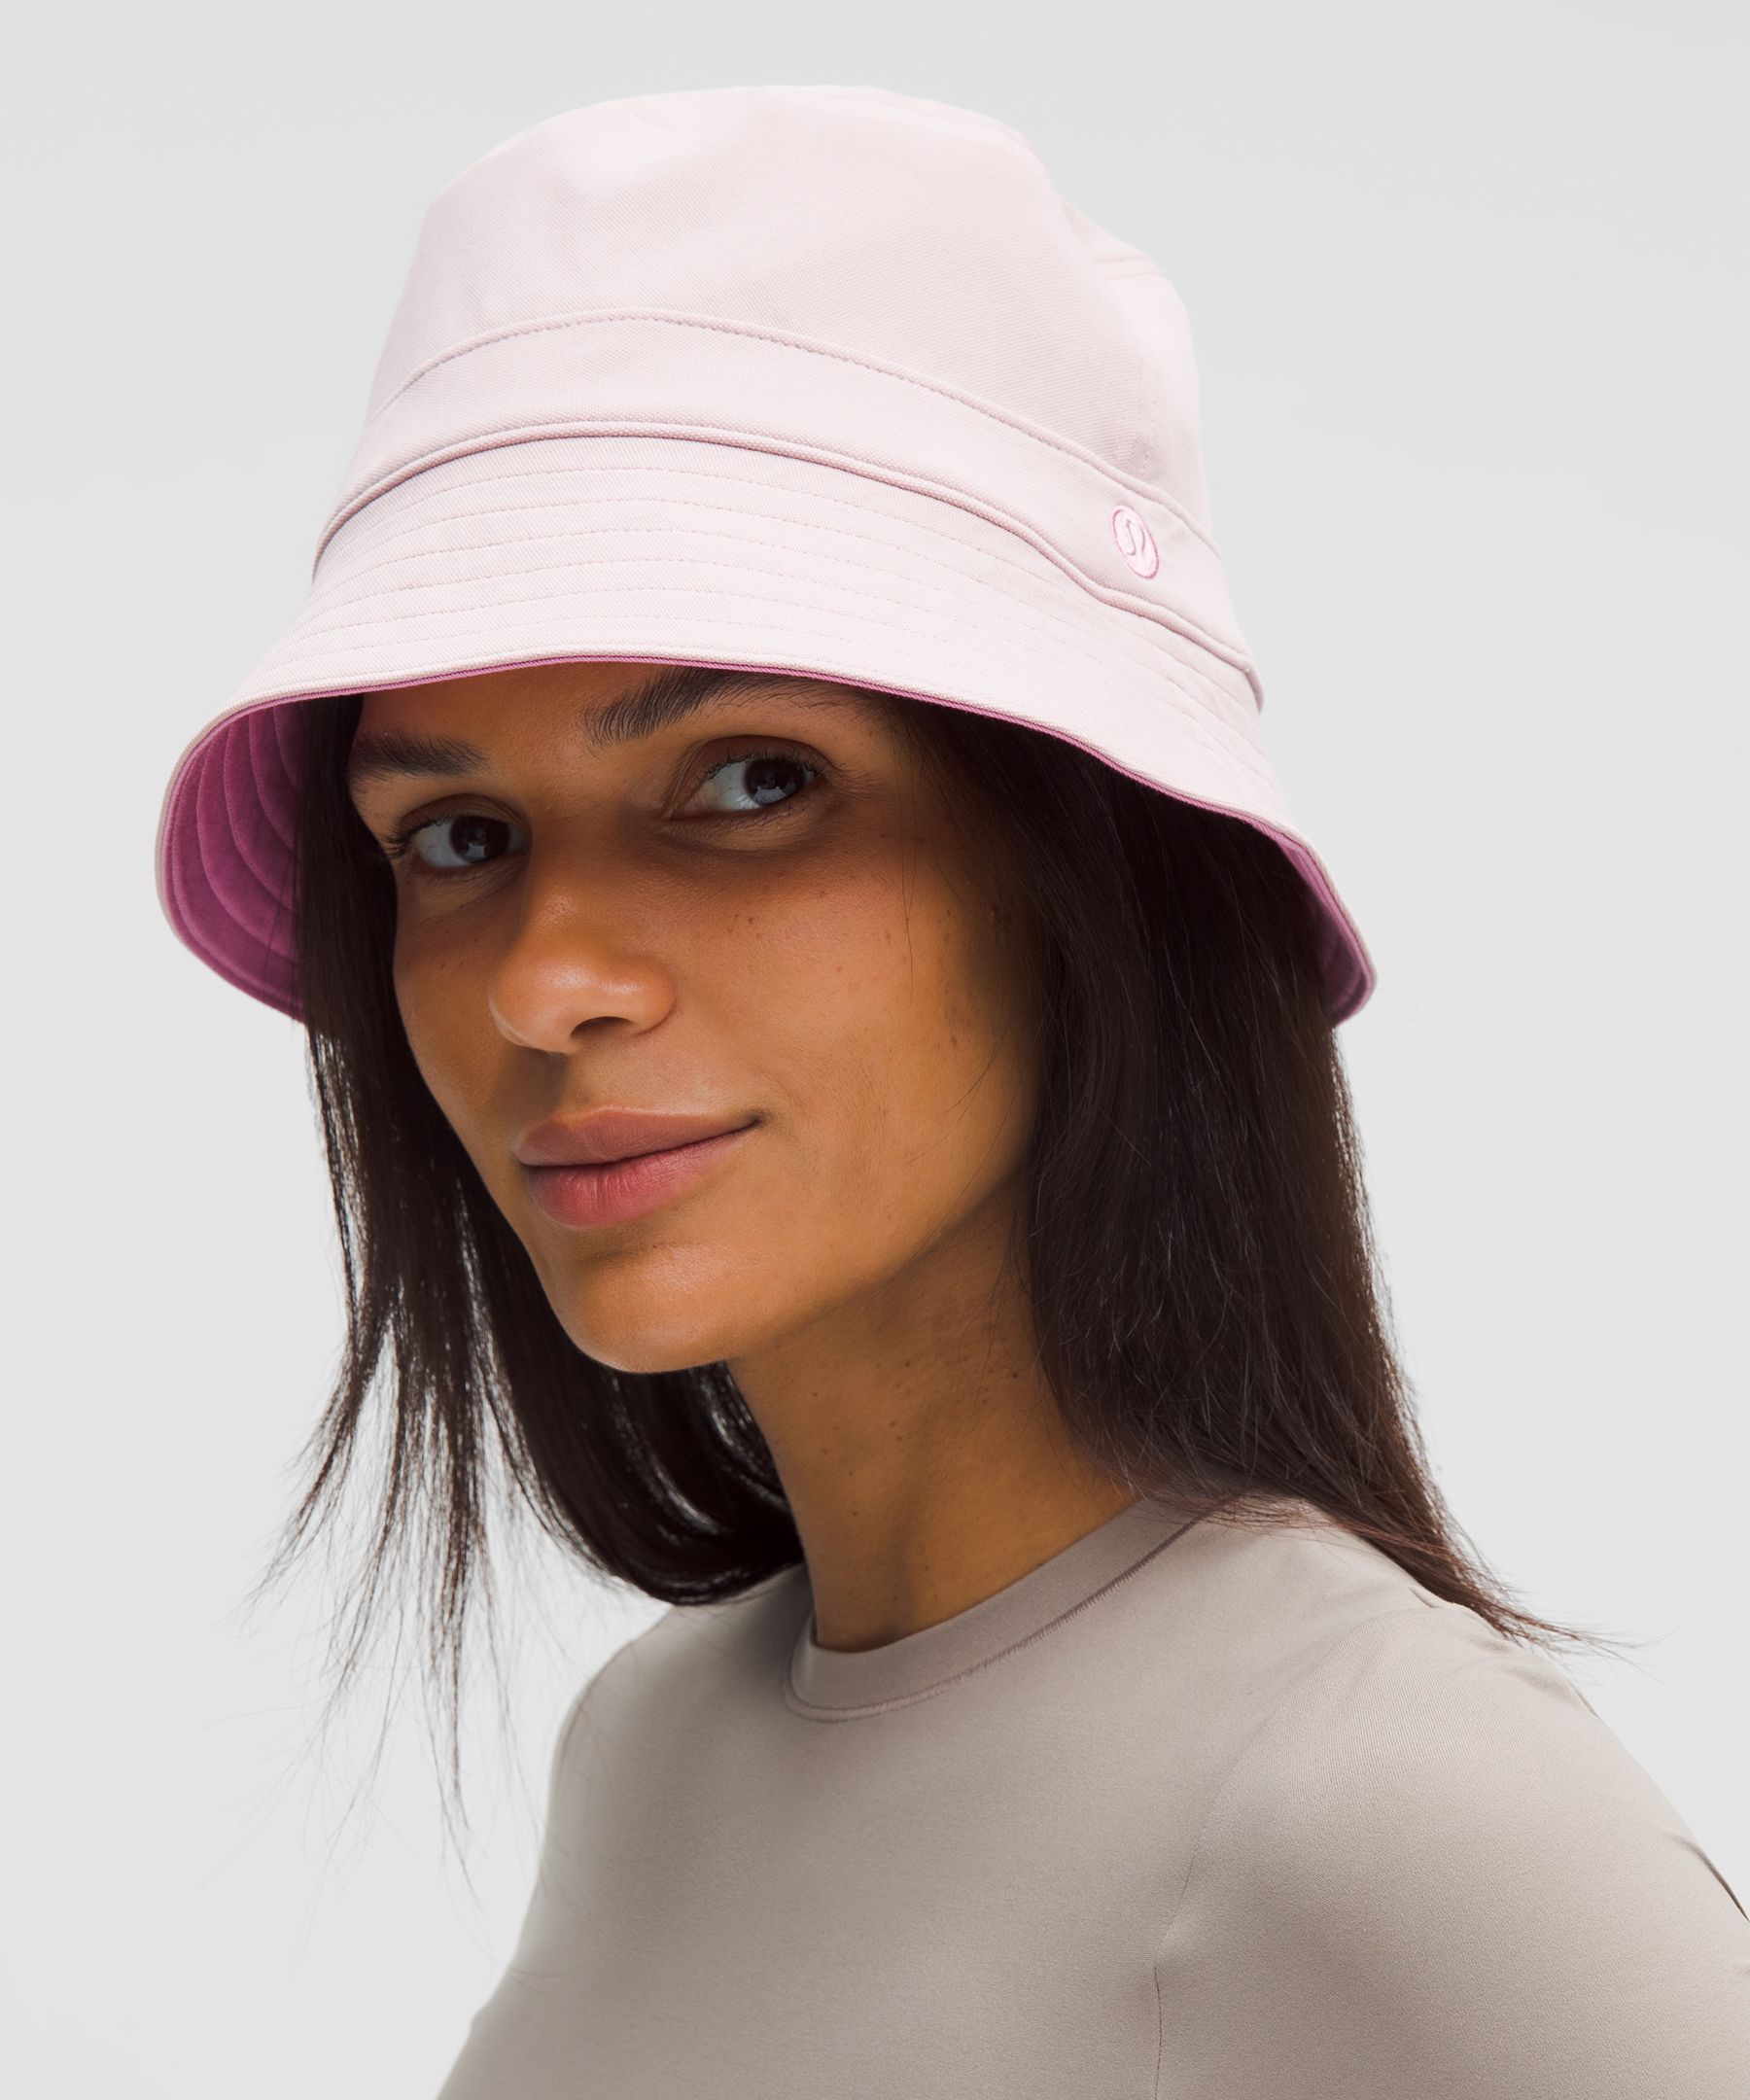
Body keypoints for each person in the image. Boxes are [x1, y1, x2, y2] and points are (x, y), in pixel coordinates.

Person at [152, 85, 1750, 2099]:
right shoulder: (654, 1751)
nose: (546, 981)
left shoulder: (1406, 1823)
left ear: (1093, 879)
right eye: (458, 837)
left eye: (751, 782)